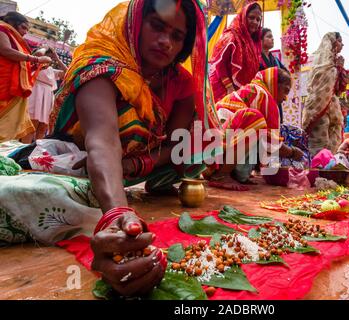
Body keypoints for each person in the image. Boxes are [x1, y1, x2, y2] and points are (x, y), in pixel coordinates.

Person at [2, 0, 212, 297]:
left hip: (134, 167)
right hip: (81, 162)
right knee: (45, 199)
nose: (165, 41)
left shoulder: (181, 82)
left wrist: (135, 166)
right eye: (157, 26)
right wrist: (116, 215)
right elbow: (102, 141)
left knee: (204, 149)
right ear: (136, 24)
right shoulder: (102, 63)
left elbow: (177, 144)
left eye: (177, 36)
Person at [207, 67, 304, 190]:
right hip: (212, 153)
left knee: (258, 128)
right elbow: (271, 144)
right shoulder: (263, 95)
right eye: (285, 91)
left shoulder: (254, 91)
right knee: (254, 119)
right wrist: (292, 152)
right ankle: (221, 175)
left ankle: (229, 173)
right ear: (274, 84)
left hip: (210, 154)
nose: (285, 98)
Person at [0, 12, 52, 142]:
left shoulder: (16, 39)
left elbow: (22, 65)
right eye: (23, 27)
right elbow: (5, 50)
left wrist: (36, 64)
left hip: (12, 86)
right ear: (12, 23)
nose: (25, 32)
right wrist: (36, 59)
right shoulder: (2, 29)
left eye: (27, 29)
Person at [301, 32, 349, 156]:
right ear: (332, 42)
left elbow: (339, 90)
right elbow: (321, 82)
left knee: (335, 131)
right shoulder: (321, 62)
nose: (342, 44)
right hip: (319, 104)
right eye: (340, 41)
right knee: (320, 136)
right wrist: (336, 68)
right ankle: (315, 167)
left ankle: (328, 164)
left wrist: (340, 70)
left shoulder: (335, 62)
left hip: (332, 103)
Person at [209, 2, 262, 102]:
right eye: (251, 17)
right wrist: (229, 87)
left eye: (258, 19)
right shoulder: (231, 36)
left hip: (240, 92)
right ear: (243, 17)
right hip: (223, 89)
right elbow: (220, 64)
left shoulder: (254, 43)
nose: (255, 22)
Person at [25, 47, 67, 141]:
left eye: (50, 56)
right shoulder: (34, 65)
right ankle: (23, 149)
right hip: (36, 93)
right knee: (32, 126)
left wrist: (58, 59)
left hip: (48, 96)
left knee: (43, 127)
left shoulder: (52, 70)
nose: (49, 58)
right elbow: (38, 54)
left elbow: (67, 72)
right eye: (48, 55)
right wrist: (46, 48)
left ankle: (35, 151)